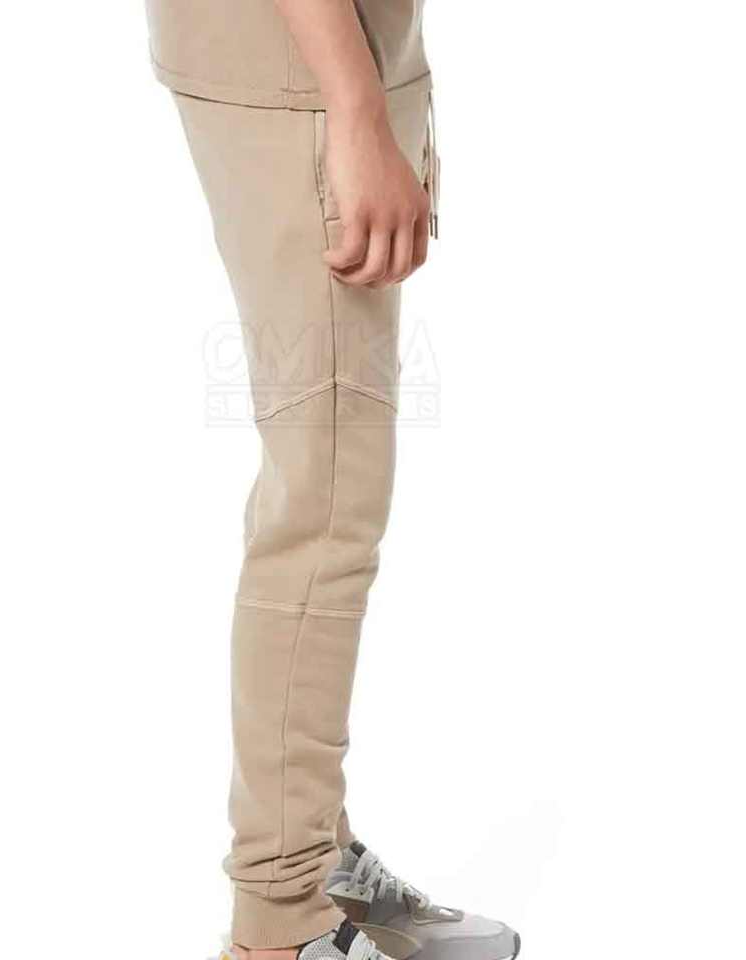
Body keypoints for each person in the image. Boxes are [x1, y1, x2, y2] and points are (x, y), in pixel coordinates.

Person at [143, 2, 520, 960]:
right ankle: (284, 918)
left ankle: (316, 859)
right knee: (324, 505)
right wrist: (354, 107)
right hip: (309, 78)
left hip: (320, 65)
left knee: (319, 488)